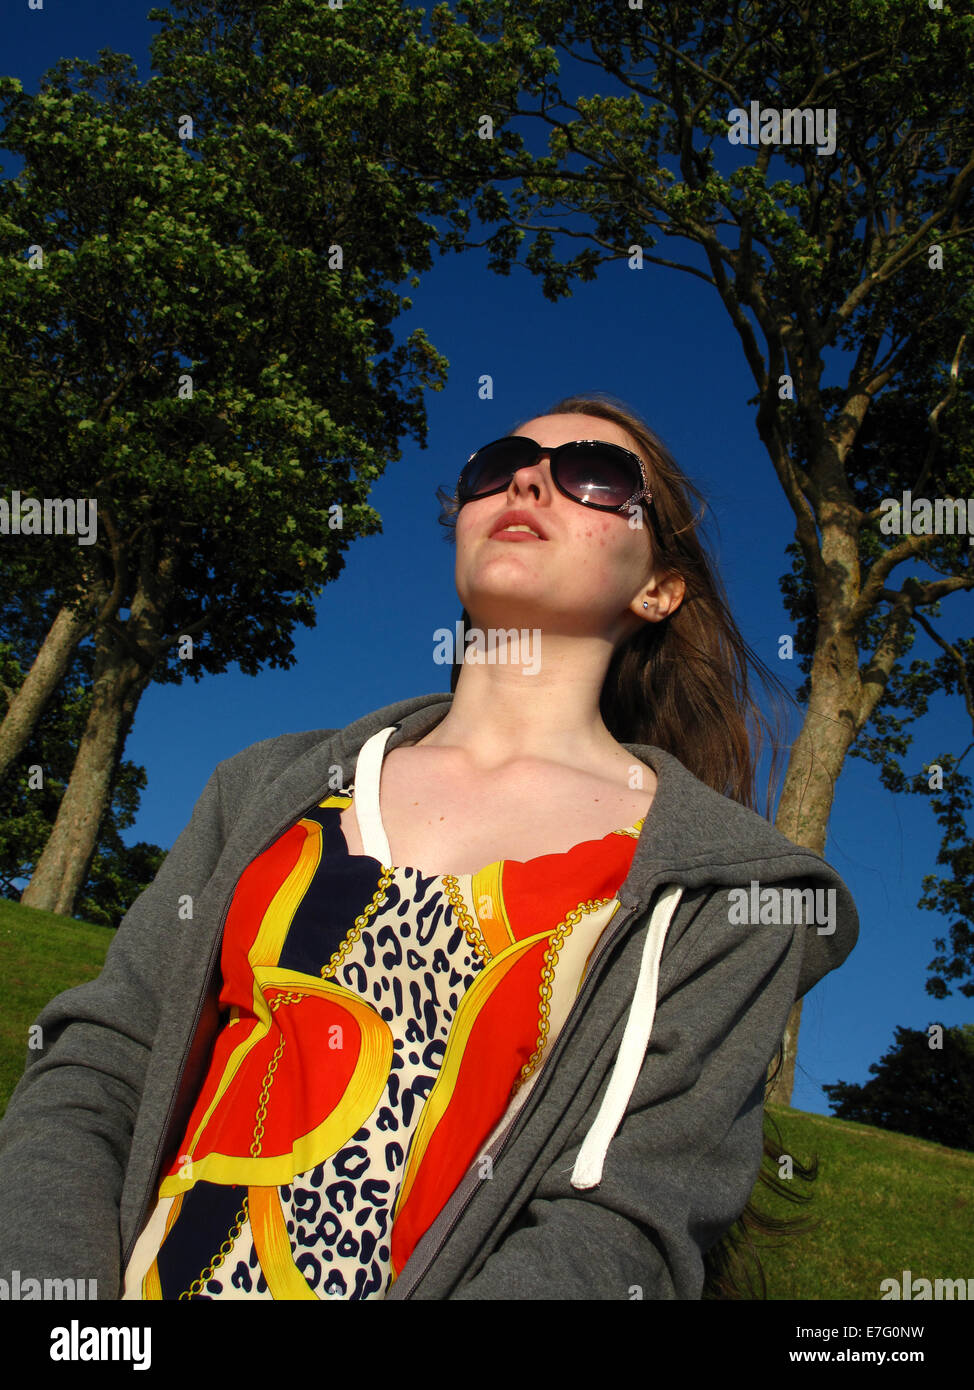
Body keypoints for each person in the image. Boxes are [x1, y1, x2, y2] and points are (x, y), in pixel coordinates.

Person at [0, 392, 858, 1301]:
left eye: (593, 476)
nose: (528, 479)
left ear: (659, 587)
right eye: (500, 465)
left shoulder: (721, 892)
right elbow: (99, 1065)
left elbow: (630, 1223)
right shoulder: (260, 791)